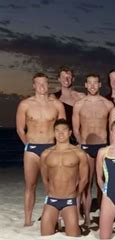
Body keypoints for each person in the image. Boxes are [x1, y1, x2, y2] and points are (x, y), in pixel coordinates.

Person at [16, 72, 66, 226]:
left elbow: (63, 128)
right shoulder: (25, 104)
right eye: (38, 83)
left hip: (51, 148)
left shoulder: (57, 105)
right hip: (32, 149)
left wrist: (60, 147)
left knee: (53, 185)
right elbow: (20, 129)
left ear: (48, 84)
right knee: (30, 185)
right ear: (33, 85)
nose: (42, 86)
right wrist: (28, 145)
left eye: (44, 83)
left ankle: (55, 218)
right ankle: (27, 220)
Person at [72, 74, 114, 225]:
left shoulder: (108, 104)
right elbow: (76, 129)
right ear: (85, 84)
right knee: (85, 183)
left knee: (102, 183)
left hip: (103, 147)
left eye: (95, 83)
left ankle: (104, 215)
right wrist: (80, 144)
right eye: (89, 83)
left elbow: (113, 129)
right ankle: (86, 216)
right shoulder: (79, 104)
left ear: (100, 85)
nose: (92, 86)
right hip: (86, 147)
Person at [40, 119, 88, 236]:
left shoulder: (79, 153)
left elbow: (84, 178)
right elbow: (45, 178)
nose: (60, 133)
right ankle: (55, 222)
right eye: (57, 131)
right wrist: (49, 193)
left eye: (64, 130)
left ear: (70, 132)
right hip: (52, 200)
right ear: (53, 133)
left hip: (69, 200)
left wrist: (76, 195)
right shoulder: (46, 154)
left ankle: (77, 227)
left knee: (73, 236)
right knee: (45, 235)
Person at [53, 66, 85, 134]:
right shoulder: (54, 97)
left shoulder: (81, 97)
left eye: (69, 77)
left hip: (79, 135)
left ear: (73, 79)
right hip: (62, 135)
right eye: (63, 77)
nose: (66, 80)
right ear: (59, 79)